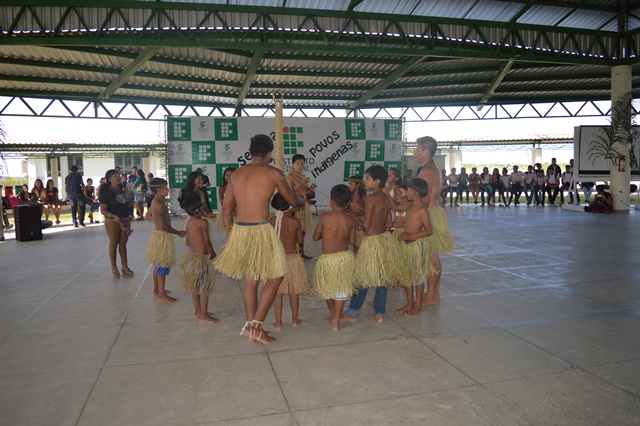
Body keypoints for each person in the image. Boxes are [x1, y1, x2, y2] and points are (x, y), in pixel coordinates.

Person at [214, 134, 304, 344]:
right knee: (276, 276)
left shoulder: (236, 175)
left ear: (252, 151)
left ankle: (251, 328)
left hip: (240, 230)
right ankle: (255, 327)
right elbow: (293, 200)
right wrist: (300, 199)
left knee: (253, 279)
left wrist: (231, 237)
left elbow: (226, 210)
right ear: (269, 154)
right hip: (260, 230)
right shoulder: (273, 173)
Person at [341, 165, 400, 324]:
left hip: (371, 241)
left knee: (363, 277)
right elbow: (389, 222)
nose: (365, 181)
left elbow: (366, 225)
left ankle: (352, 312)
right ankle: (379, 312)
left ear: (377, 180)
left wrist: (355, 220)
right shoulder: (386, 198)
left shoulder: (372, 198)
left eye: (367, 179)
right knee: (381, 278)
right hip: (383, 240)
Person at [415, 136, 454, 305]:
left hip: (429, 214)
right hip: (434, 212)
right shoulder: (432, 168)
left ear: (426, 151)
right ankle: (434, 292)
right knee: (433, 256)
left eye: (417, 150)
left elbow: (422, 199)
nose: (415, 153)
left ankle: (430, 295)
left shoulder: (427, 171)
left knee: (431, 257)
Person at [313, 184, 357, 331]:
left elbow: (315, 237)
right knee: (341, 289)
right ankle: (336, 321)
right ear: (347, 203)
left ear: (332, 201)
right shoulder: (351, 220)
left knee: (327, 287)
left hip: (328, 259)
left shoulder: (325, 218)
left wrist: (326, 234)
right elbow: (352, 241)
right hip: (344, 258)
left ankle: (332, 313)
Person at [395, 178, 435, 317]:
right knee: (407, 275)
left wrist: (409, 236)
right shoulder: (410, 206)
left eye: (409, 190)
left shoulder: (422, 210)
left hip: (416, 246)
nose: (407, 192)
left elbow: (429, 231)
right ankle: (409, 302)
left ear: (415, 193)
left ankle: (417, 305)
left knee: (417, 276)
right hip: (407, 245)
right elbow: (394, 207)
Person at [269, 193, 308, 330]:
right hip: (292, 259)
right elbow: (300, 241)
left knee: (277, 292)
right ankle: (295, 320)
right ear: (289, 206)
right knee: (293, 291)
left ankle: (278, 323)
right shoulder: (295, 222)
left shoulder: (271, 221)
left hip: (277, 260)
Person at [178, 191, 218, 322]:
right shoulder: (202, 223)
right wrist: (212, 253)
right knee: (204, 287)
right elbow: (207, 241)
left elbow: (188, 241)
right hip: (200, 259)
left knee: (194, 286)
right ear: (200, 209)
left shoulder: (189, 222)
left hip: (191, 257)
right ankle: (204, 315)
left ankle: (197, 311)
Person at [145, 177, 186, 303]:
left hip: (158, 235)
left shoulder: (155, 201)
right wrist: (178, 232)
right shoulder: (159, 204)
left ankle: (157, 289)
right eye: (165, 187)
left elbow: (148, 215)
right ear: (159, 190)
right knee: (163, 264)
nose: (168, 189)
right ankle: (161, 294)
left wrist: (156, 221)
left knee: (158, 263)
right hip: (162, 236)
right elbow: (164, 226)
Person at [99, 169, 134, 279]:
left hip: (125, 218)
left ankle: (125, 266)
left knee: (123, 243)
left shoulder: (123, 188)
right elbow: (102, 210)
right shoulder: (106, 191)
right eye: (115, 175)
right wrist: (113, 215)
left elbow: (127, 205)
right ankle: (114, 267)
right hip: (112, 220)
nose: (118, 177)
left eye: (119, 175)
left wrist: (129, 200)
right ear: (109, 179)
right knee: (114, 242)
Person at [287, 154, 317, 260]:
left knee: (302, 231)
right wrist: (301, 183)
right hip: (295, 207)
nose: (300, 166)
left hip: (304, 206)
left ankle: (301, 251)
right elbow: (290, 191)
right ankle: (294, 252)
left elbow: (305, 193)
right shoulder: (290, 176)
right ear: (293, 164)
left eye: (302, 163)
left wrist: (311, 189)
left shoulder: (303, 176)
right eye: (298, 163)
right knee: (295, 231)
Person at [348, 175, 366, 254]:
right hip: (352, 222)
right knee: (354, 244)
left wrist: (357, 215)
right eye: (349, 183)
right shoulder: (350, 196)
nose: (349, 185)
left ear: (358, 185)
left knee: (360, 245)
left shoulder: (363, 197)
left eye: (351, 183)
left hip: (360, 224)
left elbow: (368, 211)